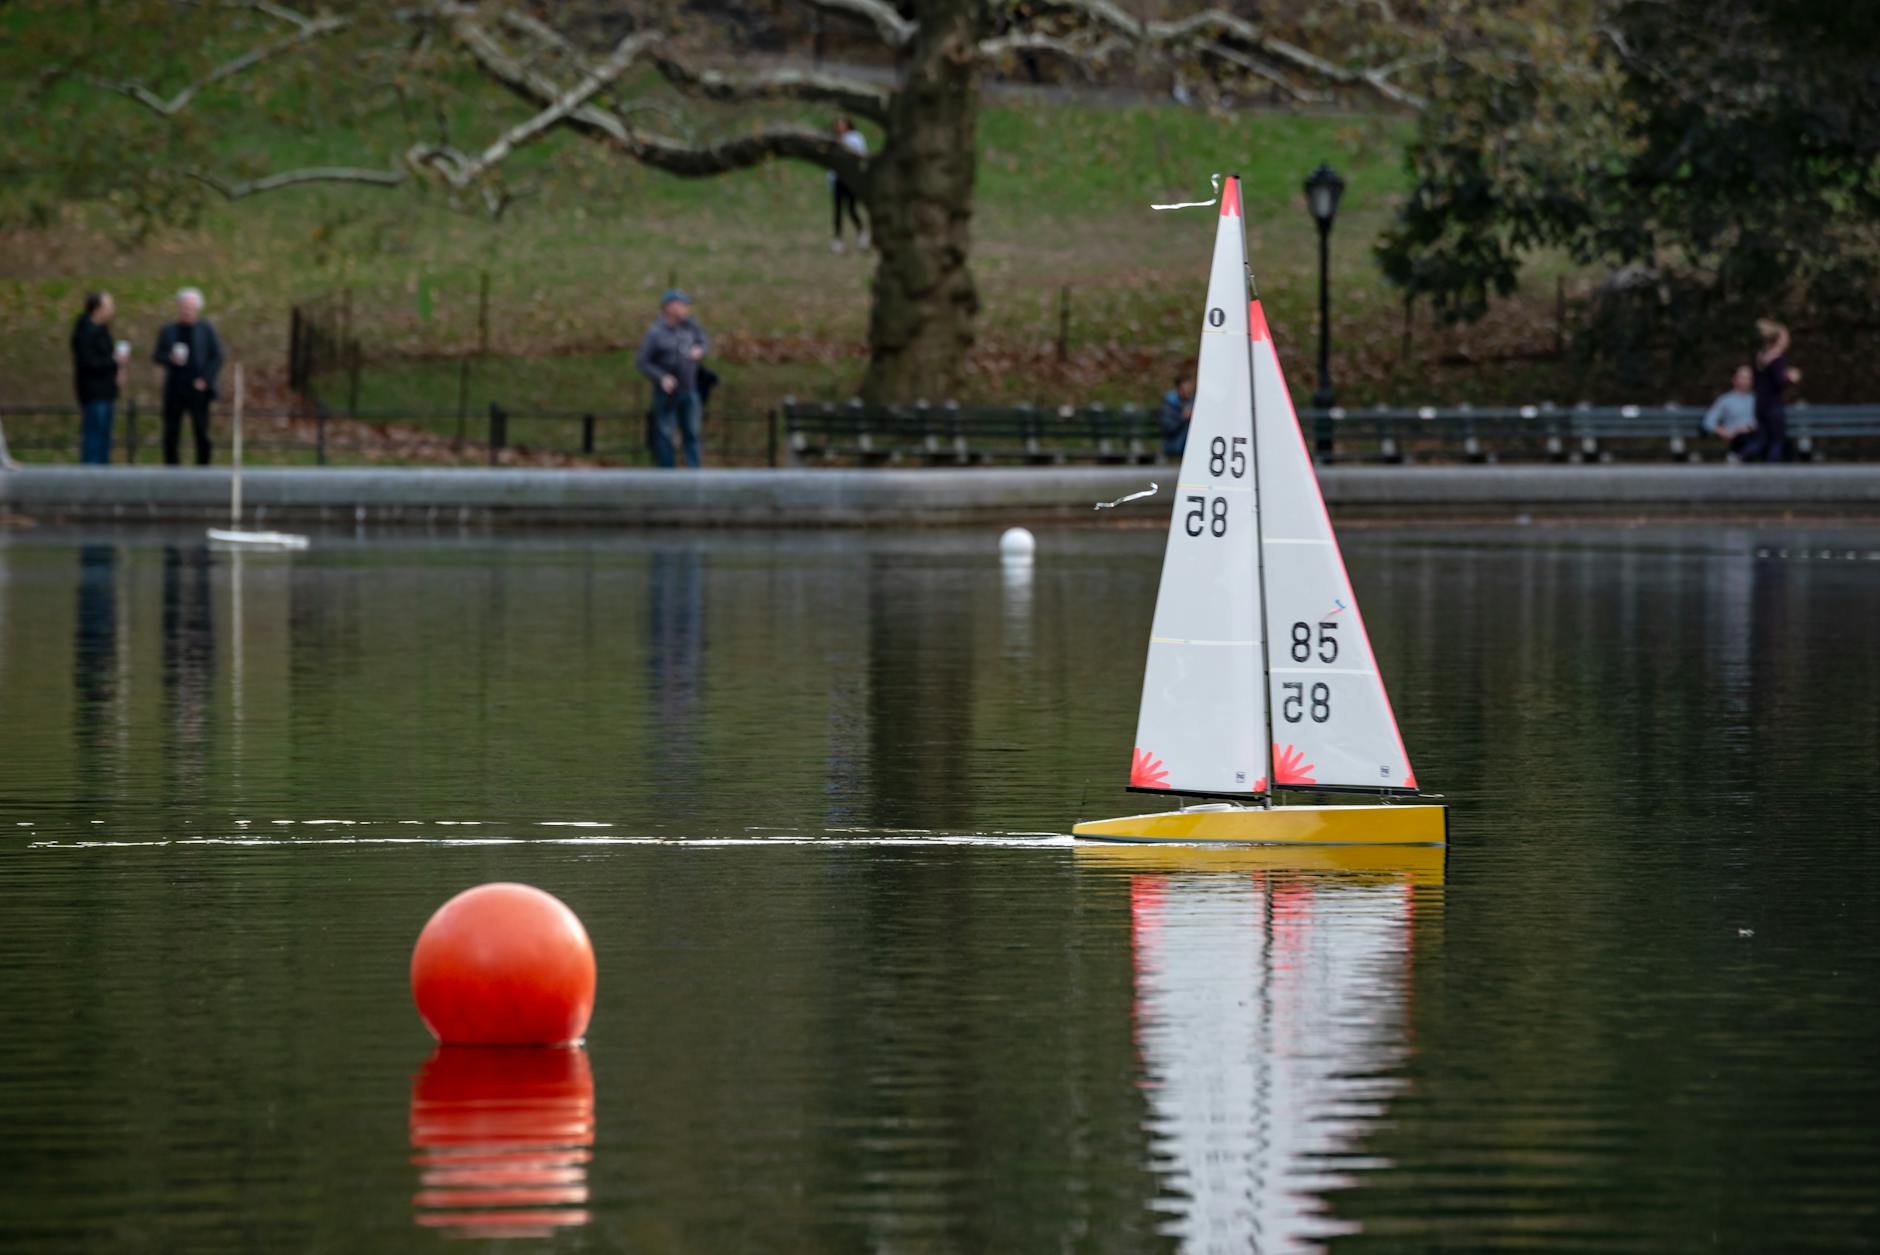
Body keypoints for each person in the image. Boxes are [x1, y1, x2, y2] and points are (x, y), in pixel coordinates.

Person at [636, 289, 709, 469]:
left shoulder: (691, 327)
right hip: (667, 393)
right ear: (670, 307)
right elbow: (643, 362)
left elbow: (704, 341)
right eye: (682, 305)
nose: (686, 309)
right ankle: (667, 475)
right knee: (665, 434)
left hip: (690, 389)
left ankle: (695, 474)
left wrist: (699, 350)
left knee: (692, 432)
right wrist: (661, 378)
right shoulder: (655, 332)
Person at [151, 287, 224, 465]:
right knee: (171, 431)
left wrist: (205, 379)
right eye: (184, 306)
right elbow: (157, 355)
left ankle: (203, 467)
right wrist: (170, 358)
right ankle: (172, 467)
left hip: (197, 388)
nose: (186, 310)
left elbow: (218, 355)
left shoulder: (205, 329)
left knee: (201, 431)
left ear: (197, 309)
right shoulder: (169, 330)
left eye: (190, 307)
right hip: (175, 387)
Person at [71, 292, 128, 464]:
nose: (112, 310)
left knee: (104, 436)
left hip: (106, 390)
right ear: (98, 309)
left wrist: (118, 368)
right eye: (109, 306)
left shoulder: (102, 330)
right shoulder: (85, 332)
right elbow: (88, 362)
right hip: (94, 391)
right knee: (94, 436)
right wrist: (113, 361)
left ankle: (102, 475)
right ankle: (91, 476)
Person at [1746, 318, 1801, 463]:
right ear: (1777, 339)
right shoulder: (1778, 359)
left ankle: (1739, 456)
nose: (1787, 341)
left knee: (1762, 439)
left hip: (1760, 403)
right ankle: (1771, 466)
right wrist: (1791, 378)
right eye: (1785, 337)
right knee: (1777, 440)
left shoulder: (1760, 356)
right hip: (1773, 405)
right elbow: (1779, 382)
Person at [1702, 364, 1758, 459]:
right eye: (1742, 377)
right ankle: (1738, 456)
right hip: (1737, 438)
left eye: (1748, 378)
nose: (1746, 381)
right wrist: (1725, 432)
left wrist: (1751, 427)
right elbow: (1708, 422)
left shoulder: (1757, 400)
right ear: (1734, 380)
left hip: (1756, 435)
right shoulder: (1725, 400)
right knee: (1745, 439)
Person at [829, 117, 868, 254]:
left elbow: (861, 155)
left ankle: (861, 233)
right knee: (838, 210)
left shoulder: (855, 138)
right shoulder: (833, 139)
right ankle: (837, 239)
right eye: (837, 124)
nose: (839, 127)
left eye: (841, 124)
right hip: (838, 179)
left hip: (850, 179)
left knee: (851, 208)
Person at [1157, 371, 1195, 460]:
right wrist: (1182, 418)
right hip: (1174, 445)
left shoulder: (1192, 402)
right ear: (1179, 388)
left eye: (1190, 387)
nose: (1189, 390)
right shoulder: (1169, 405)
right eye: (1186, 387)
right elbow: (1167, 428)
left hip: (1190, 446)